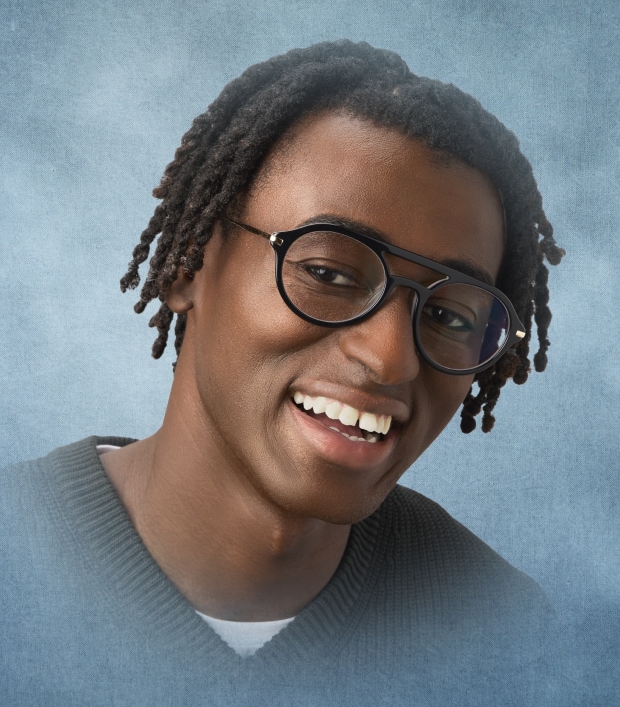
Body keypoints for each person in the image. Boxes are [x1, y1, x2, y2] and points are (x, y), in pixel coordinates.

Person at [0, 41, 567, 707]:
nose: (390, 357)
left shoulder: (500, 633)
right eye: (327, 273)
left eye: (451, 316)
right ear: (189, 265)